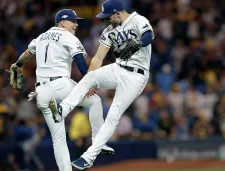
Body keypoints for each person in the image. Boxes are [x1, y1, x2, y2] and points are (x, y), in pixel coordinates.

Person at [49, 0, 154, 169]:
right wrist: (90, 81)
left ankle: (88, 158)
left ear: (118, 13)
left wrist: (139, 43)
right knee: (89, 78)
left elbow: (148, 36)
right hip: (118, 68)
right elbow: (98, 58)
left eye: (108, 17)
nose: (106, 20)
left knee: (114, 113)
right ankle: (63, 110)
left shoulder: (138, 20)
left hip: (136, 76)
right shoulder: (109, 30)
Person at [9, 9, 114, 171]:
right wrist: (88, 83)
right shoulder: (68, 36)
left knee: (58, 138)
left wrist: (17, 65)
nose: (76, 24)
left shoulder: (41, 37)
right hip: (61, 86)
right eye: (73, 21)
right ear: (63, 22)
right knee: (95, 101)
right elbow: (79, 60)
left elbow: (26, 54)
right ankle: (97, 140)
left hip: (42, 93)